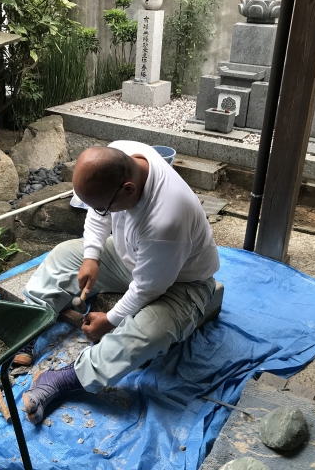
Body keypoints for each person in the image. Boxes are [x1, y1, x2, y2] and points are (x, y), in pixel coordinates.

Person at [20, 140, 220, 424]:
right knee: (64, 255)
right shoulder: (119, 156)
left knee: (152, 332)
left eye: (105, 208)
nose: (101, 212)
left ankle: (64, 378)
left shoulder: (167, 218)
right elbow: (97, 211)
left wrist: (111, 319)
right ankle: (29, 323)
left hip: (183, 282)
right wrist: (92, 256)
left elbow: (149, 287)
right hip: (136, 257)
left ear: (128, 189)